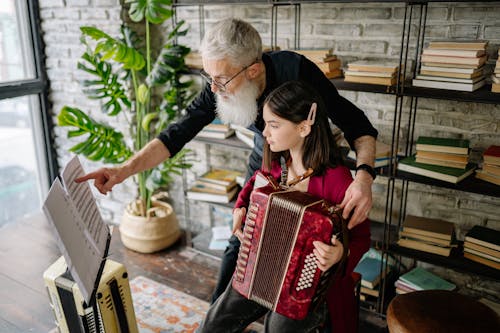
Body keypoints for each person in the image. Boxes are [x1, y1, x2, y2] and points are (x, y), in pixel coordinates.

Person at [76, 18, 377, 304]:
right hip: (266, 161)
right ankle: (219, 312)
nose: (213, 88)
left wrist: (363, 177)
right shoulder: (218, 85)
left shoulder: (298, 71)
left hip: (312, 163)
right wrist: (124, 170)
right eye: (209, 77)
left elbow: (357, 124)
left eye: (221, 79)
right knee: (240, 241)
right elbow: (177, 133)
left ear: (254, 70)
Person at [197, 80, 370, 333]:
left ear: (303, 127)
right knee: (215, 320)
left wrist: (339, 254)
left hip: (311, 287)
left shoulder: (338, 181)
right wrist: (239, 209)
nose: (265, 133)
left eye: (274, 125)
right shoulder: (277, 165)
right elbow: (250, 189)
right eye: (266, 123)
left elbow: (362, 238)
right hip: (261, 270)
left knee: (278, 328)